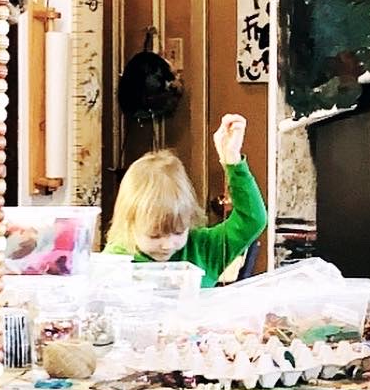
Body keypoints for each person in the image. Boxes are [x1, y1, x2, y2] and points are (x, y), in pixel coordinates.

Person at [104, 114, 267, 287]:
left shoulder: (203, 249)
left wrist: (232, 161)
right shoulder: (114, 264)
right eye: (154, 235)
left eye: (179, 232)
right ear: (129, 224)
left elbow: (252, 219)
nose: (168, 245)